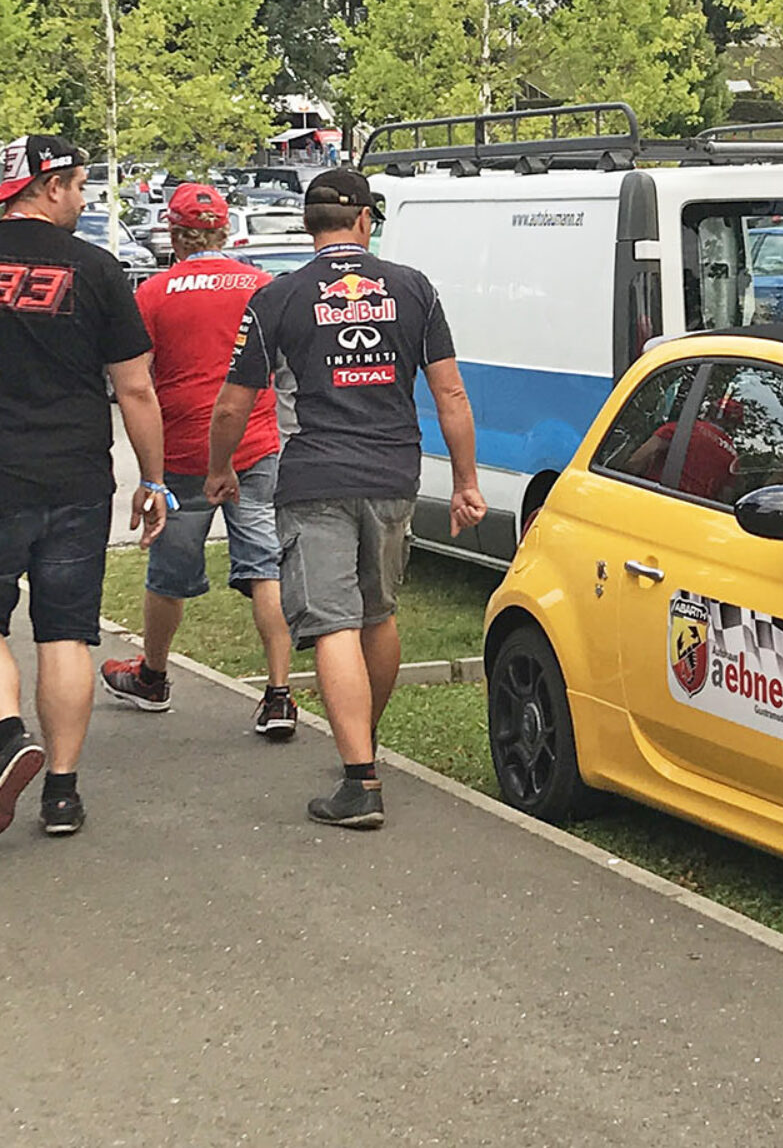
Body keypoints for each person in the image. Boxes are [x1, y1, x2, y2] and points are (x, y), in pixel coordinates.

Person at [205, 168, 485, 830]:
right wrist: (467, 481)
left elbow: (234, 402)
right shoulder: (414, 288)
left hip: (313, 477)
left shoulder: (279, 296)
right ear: (363, 221)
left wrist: (220, 468)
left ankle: (359, 778)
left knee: (331, 622)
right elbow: (451, 393)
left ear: (310, 224)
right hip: (393, 474)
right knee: (376, 615)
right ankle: (365, 746)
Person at [0, 134, 168, 836]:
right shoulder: (98, 270)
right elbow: (135, 388)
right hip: (77, 475)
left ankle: (8, 734)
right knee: (66, 634)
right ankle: (61, 793)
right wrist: (153, 480)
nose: (83, 199)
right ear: (49, 185)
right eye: (78, 186)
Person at [100, 184, 297, 739]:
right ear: (225, 230)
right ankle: (279, 695)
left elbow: (136, 382)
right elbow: (283, 368)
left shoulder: (154, 293)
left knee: (169, 571)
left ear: (175, 233)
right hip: (254, 444)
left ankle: (154, 676)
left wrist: (150, 475)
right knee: (266, 567)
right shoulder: (261, 286)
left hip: (182, 448)